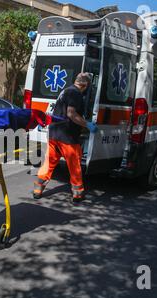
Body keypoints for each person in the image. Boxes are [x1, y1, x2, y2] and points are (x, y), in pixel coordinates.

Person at [33, 73, 98, 203]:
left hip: (54, 133)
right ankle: (77, 194)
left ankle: (37, 189)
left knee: (49, 162)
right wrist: (87, 124)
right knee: (74, 165)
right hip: (67, 136)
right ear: (85, 85)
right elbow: (71, 113)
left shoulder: (66, 90)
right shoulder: (76, 94)